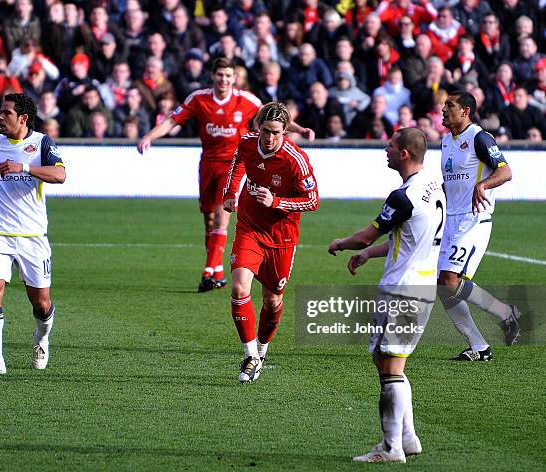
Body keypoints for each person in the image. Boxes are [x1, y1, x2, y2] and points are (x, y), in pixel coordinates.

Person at [138, 58, 314, 292]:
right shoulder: (199, 99)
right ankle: (216, 271)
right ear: (213, 76)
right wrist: (149, 136)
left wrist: (300, 129)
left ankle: (207, 273)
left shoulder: (246, 100)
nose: (224, 79)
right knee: (209, 221)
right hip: (208, 164)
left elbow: (272, 117)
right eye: (220, 75)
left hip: (235, 165)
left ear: (234, 78)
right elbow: (172, 120)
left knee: (222, 217)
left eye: (228, 76)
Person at [328, 127, 445, 463]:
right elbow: (408, 238)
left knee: (390, 365)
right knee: (387, 360)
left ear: (404, 153)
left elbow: (365, 235)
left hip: (402, 289)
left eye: (391, 146)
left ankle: (391, 447)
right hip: (421, 285)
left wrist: (343, 243)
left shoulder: (402, 195)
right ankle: (407, 438)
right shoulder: (433, 186)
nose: (386, 149)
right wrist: (370, 255)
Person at [222, 101, 318, 383]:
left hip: (282, 237)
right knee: (240, 287)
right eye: (265, 130)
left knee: (273, 300)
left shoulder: (295, 160)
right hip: (250, 227)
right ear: (258, 127)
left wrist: (276, 201)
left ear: (286, 131)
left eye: (276, 132)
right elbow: (237, 162)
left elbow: (313, 201)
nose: (270, 137)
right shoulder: (247, 143)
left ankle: (262, 350)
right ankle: (250, 355)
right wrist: (231, 192)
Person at [0, 92, 66, 376]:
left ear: (23, 118)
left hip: (32, 235)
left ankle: (41, 338)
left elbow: (61, 175)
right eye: (0, 112)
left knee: (40, 302)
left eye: (7, 113)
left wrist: (24, 167)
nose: (0, 117)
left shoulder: (41, 143)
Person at [438, 90, 520, 361]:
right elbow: (450, 183)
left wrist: (483, 184)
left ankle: (505, 313)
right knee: (444, 286)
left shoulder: (480, 137)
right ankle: (480, 347)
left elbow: (505, 171)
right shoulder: (447, 141)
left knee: (451, 281)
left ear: (465, 111)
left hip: (473, 220)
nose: (443, 109)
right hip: (450, 221)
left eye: (449, 105)